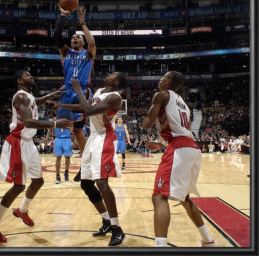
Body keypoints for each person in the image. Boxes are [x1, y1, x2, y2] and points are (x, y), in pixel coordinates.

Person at [0, 70, 72, 243]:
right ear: (19, 81)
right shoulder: (21, 97)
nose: (31, 76)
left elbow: (35, 102)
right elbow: (29, 122)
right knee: (18, 186)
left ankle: (22, 210)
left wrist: (51, 95)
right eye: (27, 75)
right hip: (17, 142)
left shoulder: (28, 97)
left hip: (28, 143)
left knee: (38, 181)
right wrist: (55, 124)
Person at [142, 71, 215, 247]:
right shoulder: (184, 104)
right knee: (184, 198)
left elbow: (147, 123)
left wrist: (148, 119)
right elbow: (179, 128)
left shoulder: (161, 95)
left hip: (179, 148)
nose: (160, 79)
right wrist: (162, 144)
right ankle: (208, 241)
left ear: (169, 82)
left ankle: (160, 246)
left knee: (159, 197)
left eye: (164, 77)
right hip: (191, 148)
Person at [54, 72, 127, 246]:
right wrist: (60, 105)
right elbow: (84, 107)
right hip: (93, 138)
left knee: (102, 183)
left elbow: (89, 110)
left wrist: (79, 90)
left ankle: (117, 228)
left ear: (116, 82)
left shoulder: (115, 98)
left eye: (112, 74)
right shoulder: (100, 90)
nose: (108, 73)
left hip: (105, 138)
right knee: (86, 183)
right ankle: (106, 221)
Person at [54, 5, 95, 182]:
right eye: (73, 38)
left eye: (78, 37)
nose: (75, 39)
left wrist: (82, 23)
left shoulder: (88, 54)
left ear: (83, 42)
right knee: (62, 126)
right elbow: (57, 37)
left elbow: (92, 43)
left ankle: (86, 166)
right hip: (66, 91)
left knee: (78, 132)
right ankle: (65, 168)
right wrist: (62, 17)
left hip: (81, 93)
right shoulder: (66, 52)